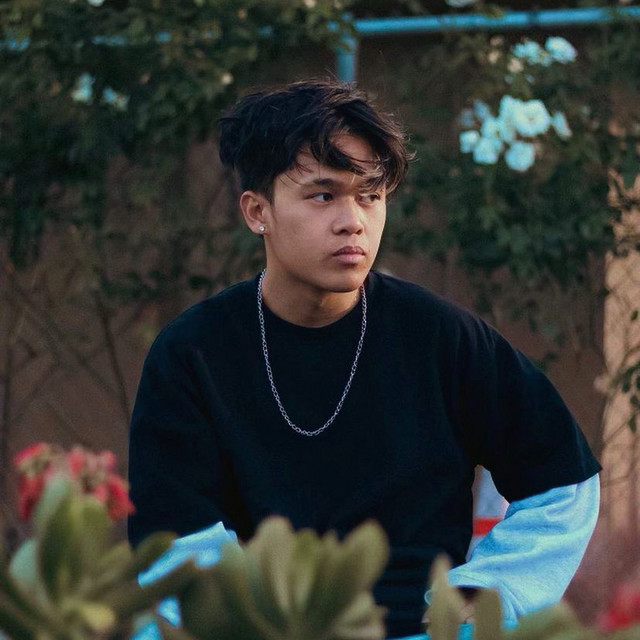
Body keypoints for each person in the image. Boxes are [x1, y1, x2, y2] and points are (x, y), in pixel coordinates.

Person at [128, 79, 601, 639]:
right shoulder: (193, 352)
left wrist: (492, 588)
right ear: (258, 212)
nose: (352, 220)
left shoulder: (440, 337)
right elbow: (174, 534)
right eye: (323, 195)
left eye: (370, 196)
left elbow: (563, 481)